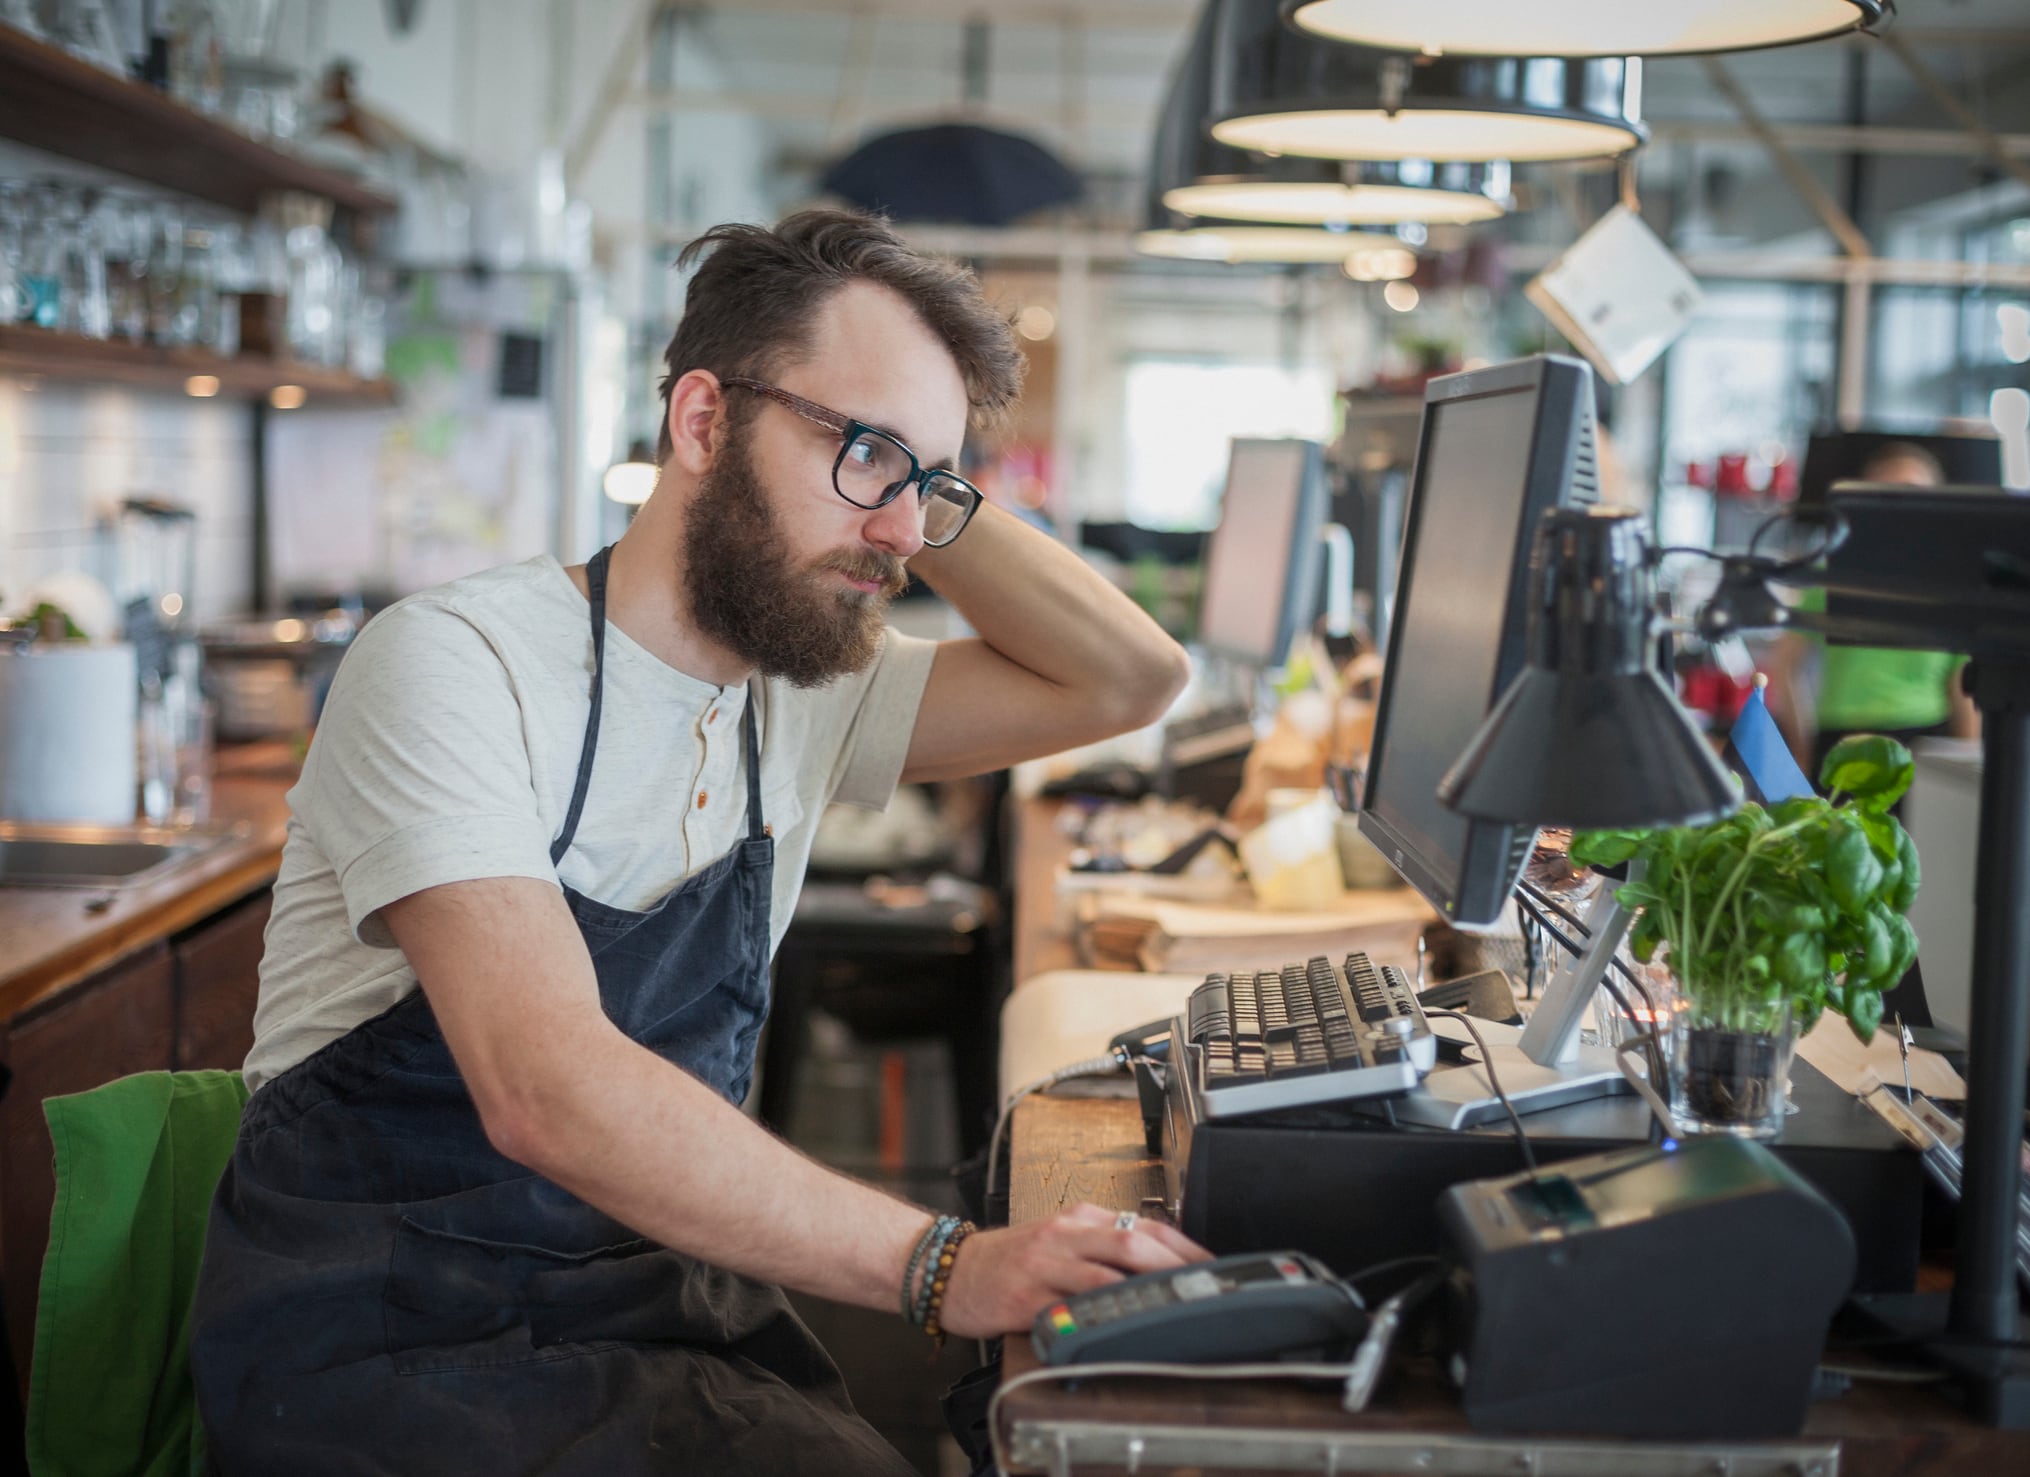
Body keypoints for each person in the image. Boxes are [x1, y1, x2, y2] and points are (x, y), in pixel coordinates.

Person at [189, 210, 1207, 1475]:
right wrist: (936, 1262)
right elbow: (545, 1089)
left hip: (655, 1301)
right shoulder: (456, 664)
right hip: (387, 1339)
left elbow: (1129, 677)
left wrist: (926, 480)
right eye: (865, 455)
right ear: (701, 422)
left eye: (927, 488)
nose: (901, 536)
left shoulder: (807, 690)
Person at [1762, 440, 1979, 779]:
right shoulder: (1835, 575)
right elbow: (1785, 662)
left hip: (1922, 743)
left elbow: (1963, 686)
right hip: (1841, 741)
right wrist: (1800, 742)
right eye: (1887, 493)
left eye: (1912, 492)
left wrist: (1969, 765)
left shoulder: (1949, 587)